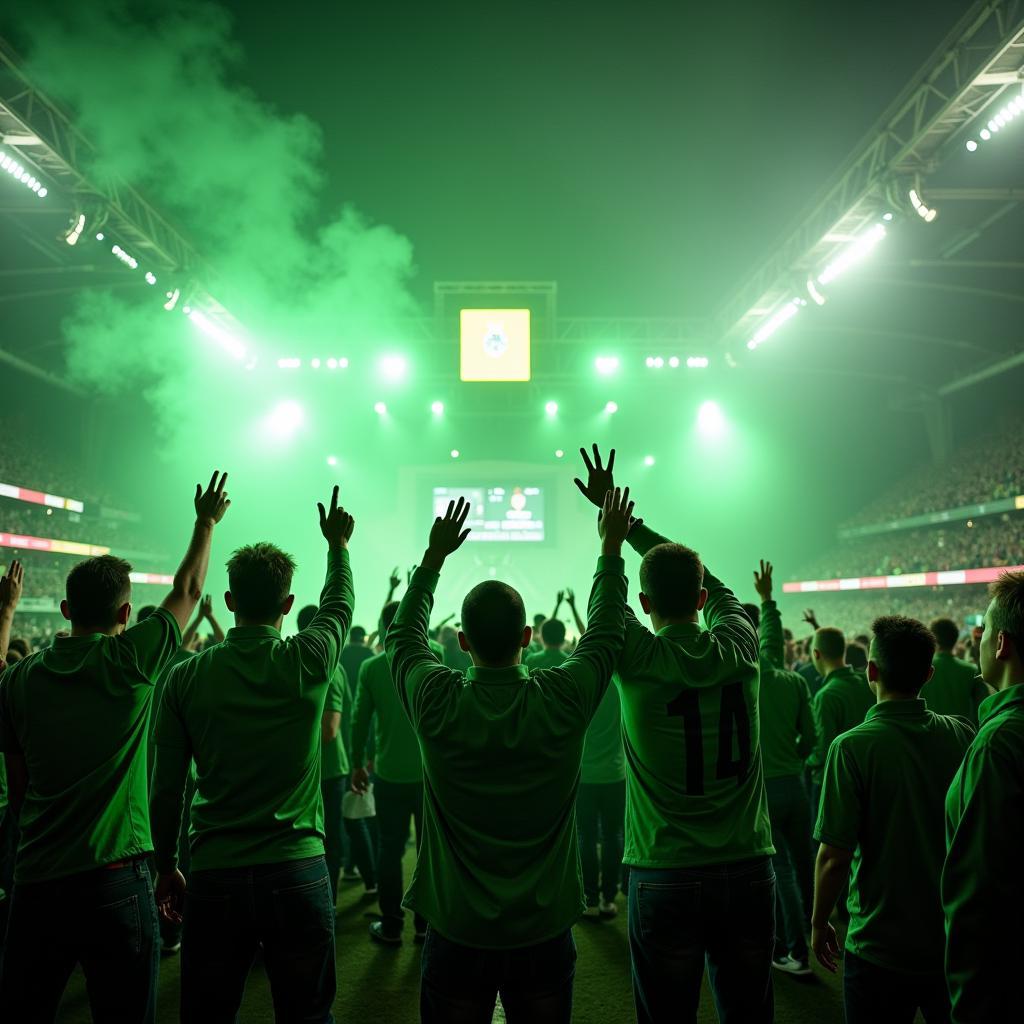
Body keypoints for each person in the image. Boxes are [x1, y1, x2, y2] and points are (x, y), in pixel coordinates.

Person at [387, 485, 634, 1022]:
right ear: (526, 635)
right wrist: (611, 548)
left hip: (456, 927)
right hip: (542, 928)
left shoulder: (435, 700)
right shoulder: (562, 698)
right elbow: (608, 633)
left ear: (463, 642)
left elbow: (402, 638)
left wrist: (432, 560)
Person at [0, 473, 230, 1023]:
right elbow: (188, 593)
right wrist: (205, 522)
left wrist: (6, 613)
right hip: (115, 879)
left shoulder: (23, 681)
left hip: (37, 880)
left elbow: (15, 764)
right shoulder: (130, 663)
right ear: (126, 616)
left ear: (63, 609)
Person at [573, 445, 775, 1024]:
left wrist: (611, 540)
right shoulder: (741, 646)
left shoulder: (637, 660)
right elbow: (717, 585)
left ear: (644, 603)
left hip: (665, 872)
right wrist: (631, 529)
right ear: (704, 601)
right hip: (747, 865)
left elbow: (607, 615)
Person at [149, 485, 354, 1023]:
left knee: (207, 1015)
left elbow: (166, 785)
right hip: (299, 870)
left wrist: (166, 864)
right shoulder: (308, 661)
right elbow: (337, 606)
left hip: (216, 873)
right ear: (288, 605)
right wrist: (338, 547)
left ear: (231, 601)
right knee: (307, 1015)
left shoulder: (185, 677)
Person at [812, 616, 974, 1023]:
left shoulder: (850, 748)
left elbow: (834, 856)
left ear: (871, 671)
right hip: (950, 937)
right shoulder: (961, 734)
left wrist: (818, 921)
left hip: (877, 944)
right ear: (929, 675)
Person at [943, 571, 1024, 1022]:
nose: (978, 641)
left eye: (985, 631)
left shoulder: (999, 741)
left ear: (1001, 644)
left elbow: (979, 889)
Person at [747, 561, 816, 978]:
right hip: (795, 782)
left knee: (783, 873)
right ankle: (813, 931)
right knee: (802, 862)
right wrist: (767, 600)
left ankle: (796, 952)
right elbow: (810, 738)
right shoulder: (793, 681)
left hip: (765, 787)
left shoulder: (743, 680)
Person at [351, 599, 427, 946]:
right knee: (430, 849)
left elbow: (359, 720)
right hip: (430, 775)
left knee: (389, 848)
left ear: (384, 626)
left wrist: (356, 762)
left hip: (390, 774)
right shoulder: (436, 655)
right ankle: (427, 924)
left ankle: (393, 924)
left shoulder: (373, 667)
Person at [294, 603, 363, 909]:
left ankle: (327, 902)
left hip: (327, 770)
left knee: (328, 840)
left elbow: (329, 730)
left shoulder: (327, 667)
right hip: (316, 769)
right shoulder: (313, 662)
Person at [806, 626, 874, 817]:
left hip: (831, 784)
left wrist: (806, 760)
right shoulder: (867, 685)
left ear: (816, 654)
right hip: (867, 779)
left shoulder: (826, 695)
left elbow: (824, 749)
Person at [924, 618, 989, 724]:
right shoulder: (972, 671)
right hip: (964, 738)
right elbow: (984, 711)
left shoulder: (920, 668)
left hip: (927, 737)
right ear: (955, 640)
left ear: (932, 640)